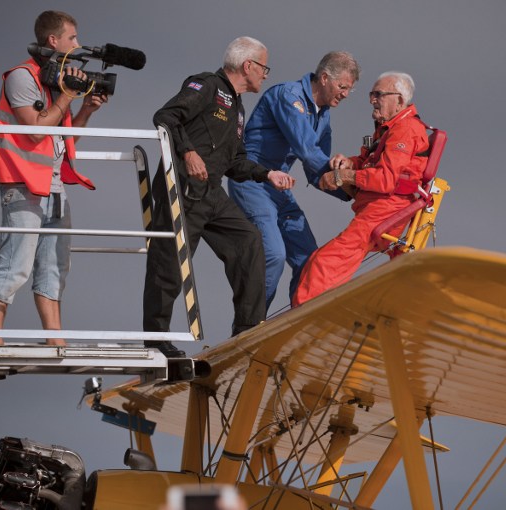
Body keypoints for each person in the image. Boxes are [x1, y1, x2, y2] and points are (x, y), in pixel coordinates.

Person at [144, 36, 295, 357]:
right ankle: (155, 340)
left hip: (211, 193)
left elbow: (236, 162)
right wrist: (187, 153)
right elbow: (166, 116)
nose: (266, 74)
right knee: (170, 263)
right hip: (182, 189)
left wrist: (267, 174)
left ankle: (247, 331)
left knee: (248, 241)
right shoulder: (207, 86)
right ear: (248, 65)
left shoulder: (237, 106)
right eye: (264, 67)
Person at [0, 10, 108, 346]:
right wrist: (67, 95)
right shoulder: (21, 77)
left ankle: (55, 339)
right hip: (23, 183)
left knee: (54, 265)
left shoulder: (54, 80)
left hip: (53, 187)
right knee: (14, 263)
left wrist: (86, 110)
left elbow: (64, 141)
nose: (78, 44)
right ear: (53, 40)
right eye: (72, 38)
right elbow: (36, 131)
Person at [228, 51, 360, 311]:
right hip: (253, 180)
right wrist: (356, 183)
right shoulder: (289, 96)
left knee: (310, 260)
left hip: (280, 187)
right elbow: (308, 151)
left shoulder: (323, 115)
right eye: (343, 87)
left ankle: (298, 322)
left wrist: (352, 191)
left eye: (350, 90)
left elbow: (317, 173)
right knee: (274, 255)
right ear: (325, 78)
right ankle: (250, 326)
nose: (345, 94)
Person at [292, 72, 429, 306]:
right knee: (317, 260)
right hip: (376, 209)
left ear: (399, 100)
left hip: (386, 210)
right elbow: (372, 163)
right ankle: (304, 314)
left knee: (325, 263)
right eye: (371, 94)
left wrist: (343, 176)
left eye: (378, 94)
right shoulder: (390, 127)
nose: (372, 100)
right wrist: (349, 163)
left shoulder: (406, 129)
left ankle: (302, 318)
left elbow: (386, 179)